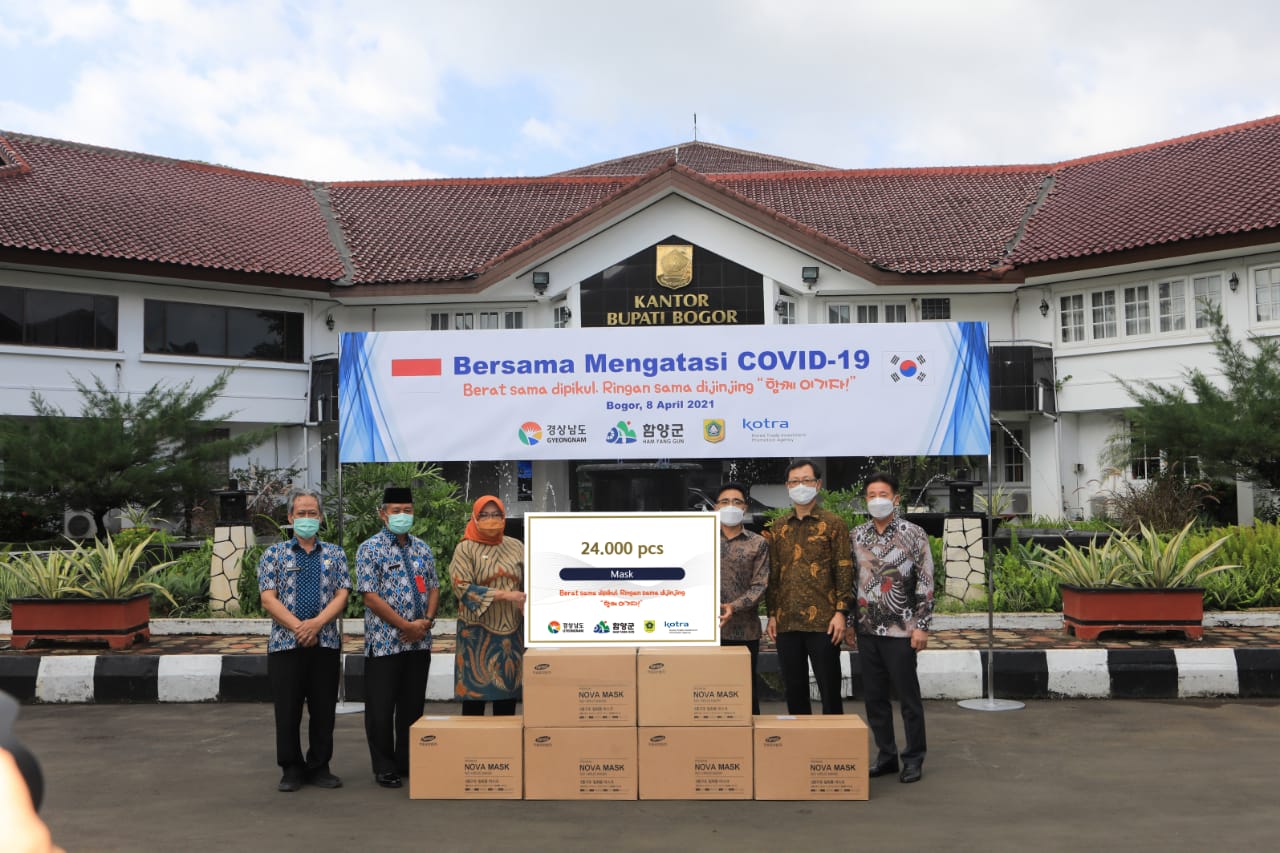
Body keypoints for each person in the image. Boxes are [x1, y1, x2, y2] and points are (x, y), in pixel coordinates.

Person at [257, 487, 351, 793]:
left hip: (325, 644)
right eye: (301, 513)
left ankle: (320, 766)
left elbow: (342, 594)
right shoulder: (273, 554)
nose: (307, 518)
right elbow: (268, 599)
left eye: (313, 513)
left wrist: (318, 624)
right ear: (290, 517)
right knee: (288, 710)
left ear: (321, 518)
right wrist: (300, 627)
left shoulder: (335, 554)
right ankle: (291, 769)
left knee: (323, 709)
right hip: (286, 644)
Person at [848, 471, 934, 784]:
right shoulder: (857, 535)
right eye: (871, 495)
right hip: (867, 629)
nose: (877, 500)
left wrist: (922, 626)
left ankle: (914, 758)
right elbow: (851, 580)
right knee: (874, 699)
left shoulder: (914, 534)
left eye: (883, 494)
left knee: (908, 698)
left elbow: (925, 580)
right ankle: (886, 756)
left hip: (902, 630)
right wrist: (848, 622)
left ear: (896, 499)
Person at [356, 486, 439, 789]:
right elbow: (369, 596)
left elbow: (434, 587)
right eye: (396, 510)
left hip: (420, 642)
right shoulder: (370, 549)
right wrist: (405, 625)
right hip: (385, 643)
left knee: (412, 706)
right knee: (380, 707)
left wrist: (425, 621)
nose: (402, 515)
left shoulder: (422, 548)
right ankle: (384, 766)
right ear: (383, 513)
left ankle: (407, 761)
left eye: (407, 510)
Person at [765, 459, 852, 715]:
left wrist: (841, 612)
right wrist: (771, 614)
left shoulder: (833, 524)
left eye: (806, 480)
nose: (800, 486)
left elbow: (843, 568)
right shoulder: (779, 527)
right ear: (787, 486)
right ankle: (801, 747)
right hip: (787, 622)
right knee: (794, 690)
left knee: (829, 690)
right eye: (794, 482)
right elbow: (774, 573)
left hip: (824, 622)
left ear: (818, 484)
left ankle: (832, 748)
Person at [451, 496, 526, 715]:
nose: (491, 519)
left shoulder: (516, 546)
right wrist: (505, 595)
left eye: (496, 515)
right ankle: (473, 749)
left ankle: (505, 749)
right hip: (476, 636)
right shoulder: (465, 549)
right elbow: (461, 587)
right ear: (474, 517)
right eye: (484, 515)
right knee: (474, 703)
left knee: (507, 700)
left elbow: (527, 582)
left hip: (512, 635)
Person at [715, 481, 769, 715]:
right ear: (716, 508)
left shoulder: (758, 543)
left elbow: (760, 586)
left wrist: (732, 607)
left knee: (745, 693)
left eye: (736, 502)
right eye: (725, 502)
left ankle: (749, 747)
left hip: (744, 631)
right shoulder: (701, 539)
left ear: (745, 508)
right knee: (707, 691)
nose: (730, 506)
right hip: (706, 632)